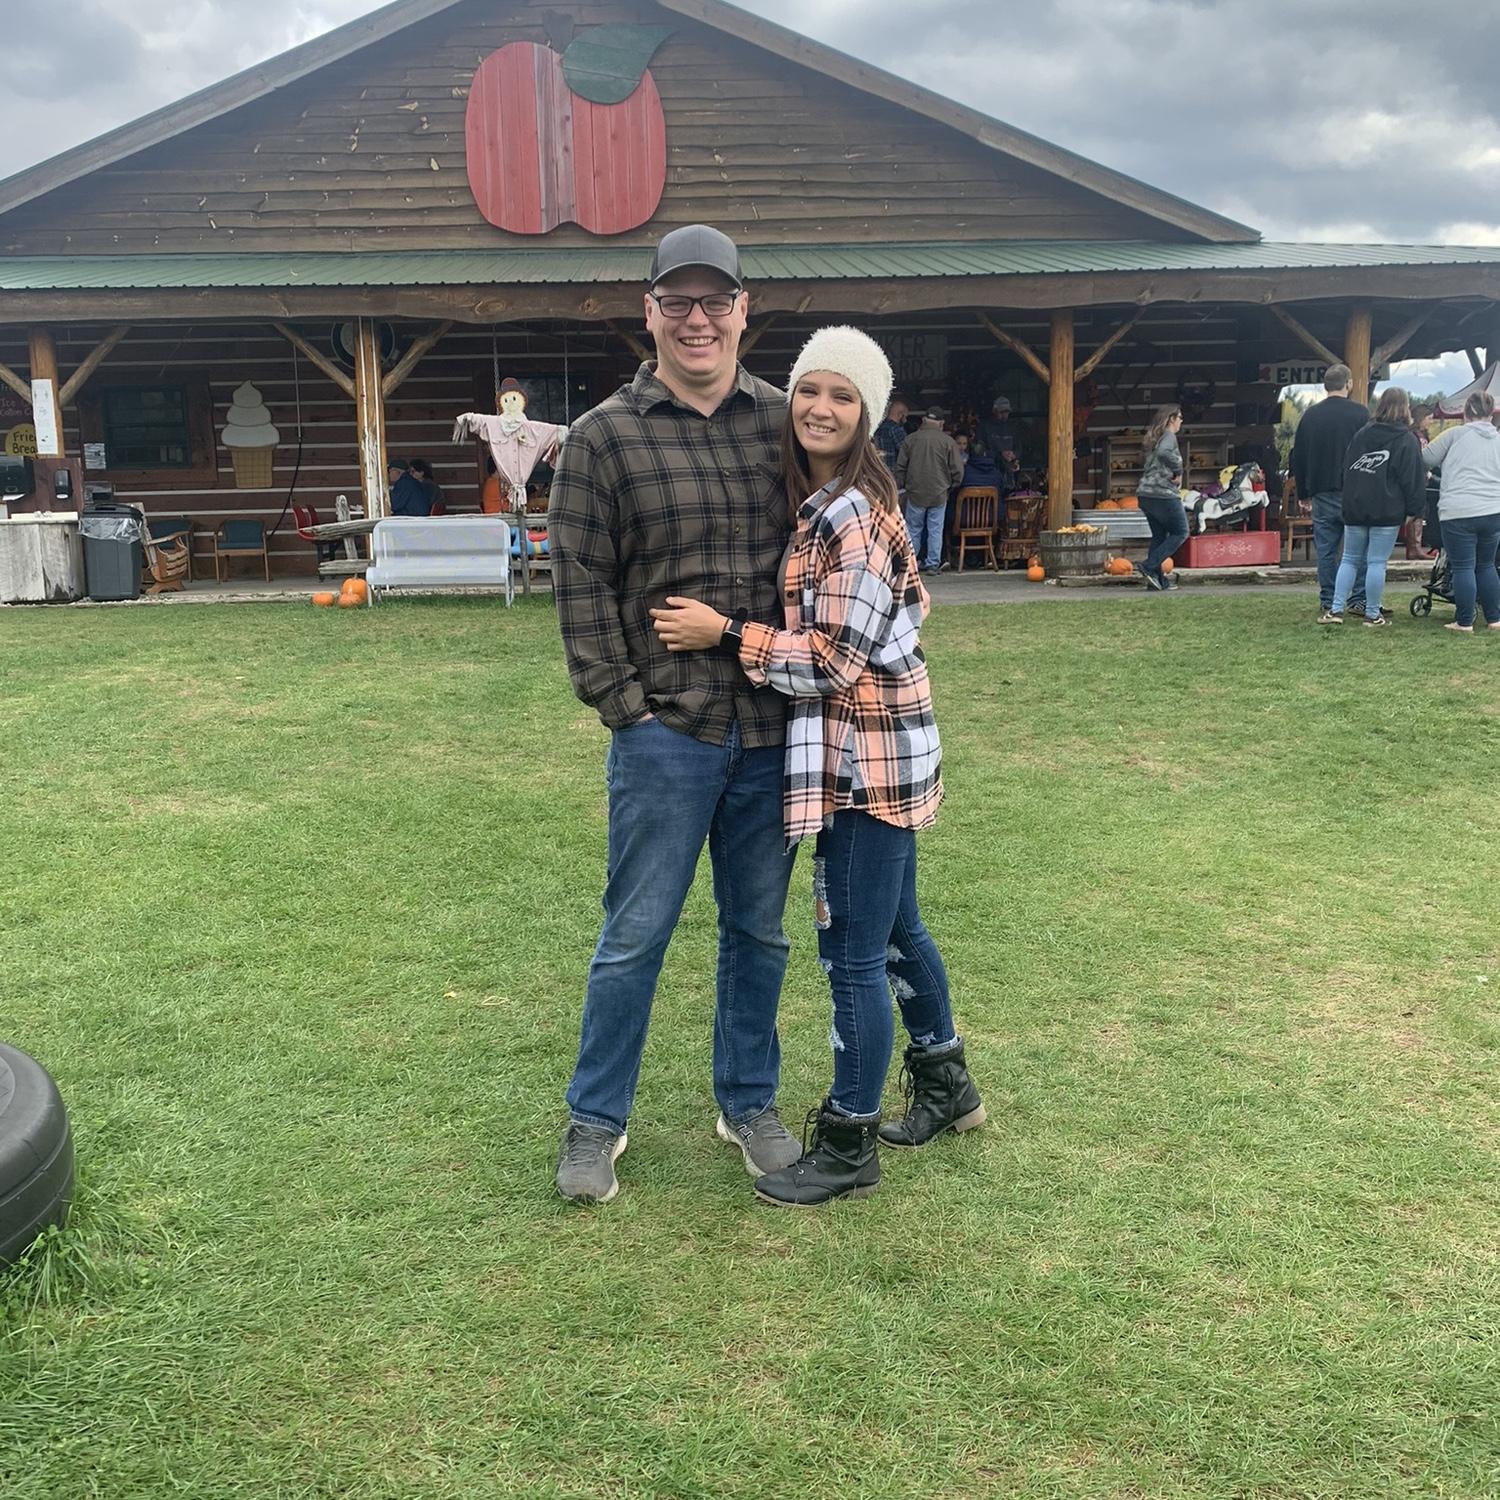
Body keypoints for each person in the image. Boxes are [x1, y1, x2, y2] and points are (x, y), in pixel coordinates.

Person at [651, 326, 984, 1207]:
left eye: (843, 396)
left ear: (869, 414)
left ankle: (848, 1142)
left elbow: (834, 660)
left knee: (852, 955)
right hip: (880, 751)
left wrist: (727, 632)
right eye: (809, 390)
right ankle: (948, 1084)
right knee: (899, 928)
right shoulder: (830, 503)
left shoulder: (850, 517)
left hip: (864, 763)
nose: (821, 409)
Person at [548, 224, 801, 1205]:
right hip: (665, 732)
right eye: (679, 301)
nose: (699, 319)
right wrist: (625, 710)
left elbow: (843, 540)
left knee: (760, 933)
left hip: (773, 729)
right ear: (648, 312)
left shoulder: (786, 421)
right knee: (636, 933)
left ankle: (750, 1104)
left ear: (744, 310)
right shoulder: (603, 436)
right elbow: (580, 584)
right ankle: (595, 1121)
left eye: (716, 300)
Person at [1322, 387, 1424, 627]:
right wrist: (1414, 510)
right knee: (1377, 562)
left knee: (1349, 559)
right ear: (1405, 408)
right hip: (1387, 509)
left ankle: (1335, 609)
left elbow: (1346, 469)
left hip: (1356, 506)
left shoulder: (1362, 434)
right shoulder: (1407, 439)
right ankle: (1372, 613)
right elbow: (1412, 479)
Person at [1292, 365, 1376, 618]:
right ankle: (1358, 598)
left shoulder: (1310, 416)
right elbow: (1370, 452)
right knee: (1358, 549)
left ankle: (1328, 599)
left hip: (1321, 491)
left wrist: (1303, 493)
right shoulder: (1360, 414)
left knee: (1326, 551)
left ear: (1325, 385)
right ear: (1348, 383)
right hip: (1355, 491)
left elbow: (1298, 457)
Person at [1420, 390, 1500, 633]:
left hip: (1458, 510)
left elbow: (1425, 458)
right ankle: (1494, 618)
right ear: (1491, 413)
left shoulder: (1454, 435)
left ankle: (1464, 621)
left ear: (1465, 412)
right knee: (1486, 565)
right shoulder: (1498, 439)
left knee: (1463, 566)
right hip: (1493, 510)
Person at [895, 406, 964, 572]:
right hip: (939, 492)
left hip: (915, 492)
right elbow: (958, 470)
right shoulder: (948, 441)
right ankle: (933, 564)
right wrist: (951, 486)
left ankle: (910, 563)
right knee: (935, 529)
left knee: (913, 528)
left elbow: (901, 467)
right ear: (941, 423)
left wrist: (902, 486)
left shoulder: (910, 440)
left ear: (924, 420)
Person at [1136, 404, 1189, 591]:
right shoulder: (1169, 436)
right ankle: (1150, 565)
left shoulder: (1155, 437)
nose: (1181, 421)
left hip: (1146, 494)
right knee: (1181, 532)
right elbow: (1164, 453)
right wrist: (1178, 470)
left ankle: (1157, 581)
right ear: (1171, 419)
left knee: (1159, 536)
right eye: (1180, 417)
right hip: (1163, 494)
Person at [976, 396, 1022, 496]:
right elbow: (978, 451)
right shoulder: (984, 427)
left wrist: (1015, 456)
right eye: (1001, 412)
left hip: (1010, 475)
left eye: (1007, 412)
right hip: (989, 472)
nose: (1004, 415)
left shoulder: (1013, 427)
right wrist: (999, 454)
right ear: (994, 411)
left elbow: (1019, 448)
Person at [874, 395, 910, 474]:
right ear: (900, 414)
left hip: (878, 468)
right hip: (893, 470)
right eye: (905, 416)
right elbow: (905, 450)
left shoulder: (878, 427)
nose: (906, 420)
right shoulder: (896, 429)